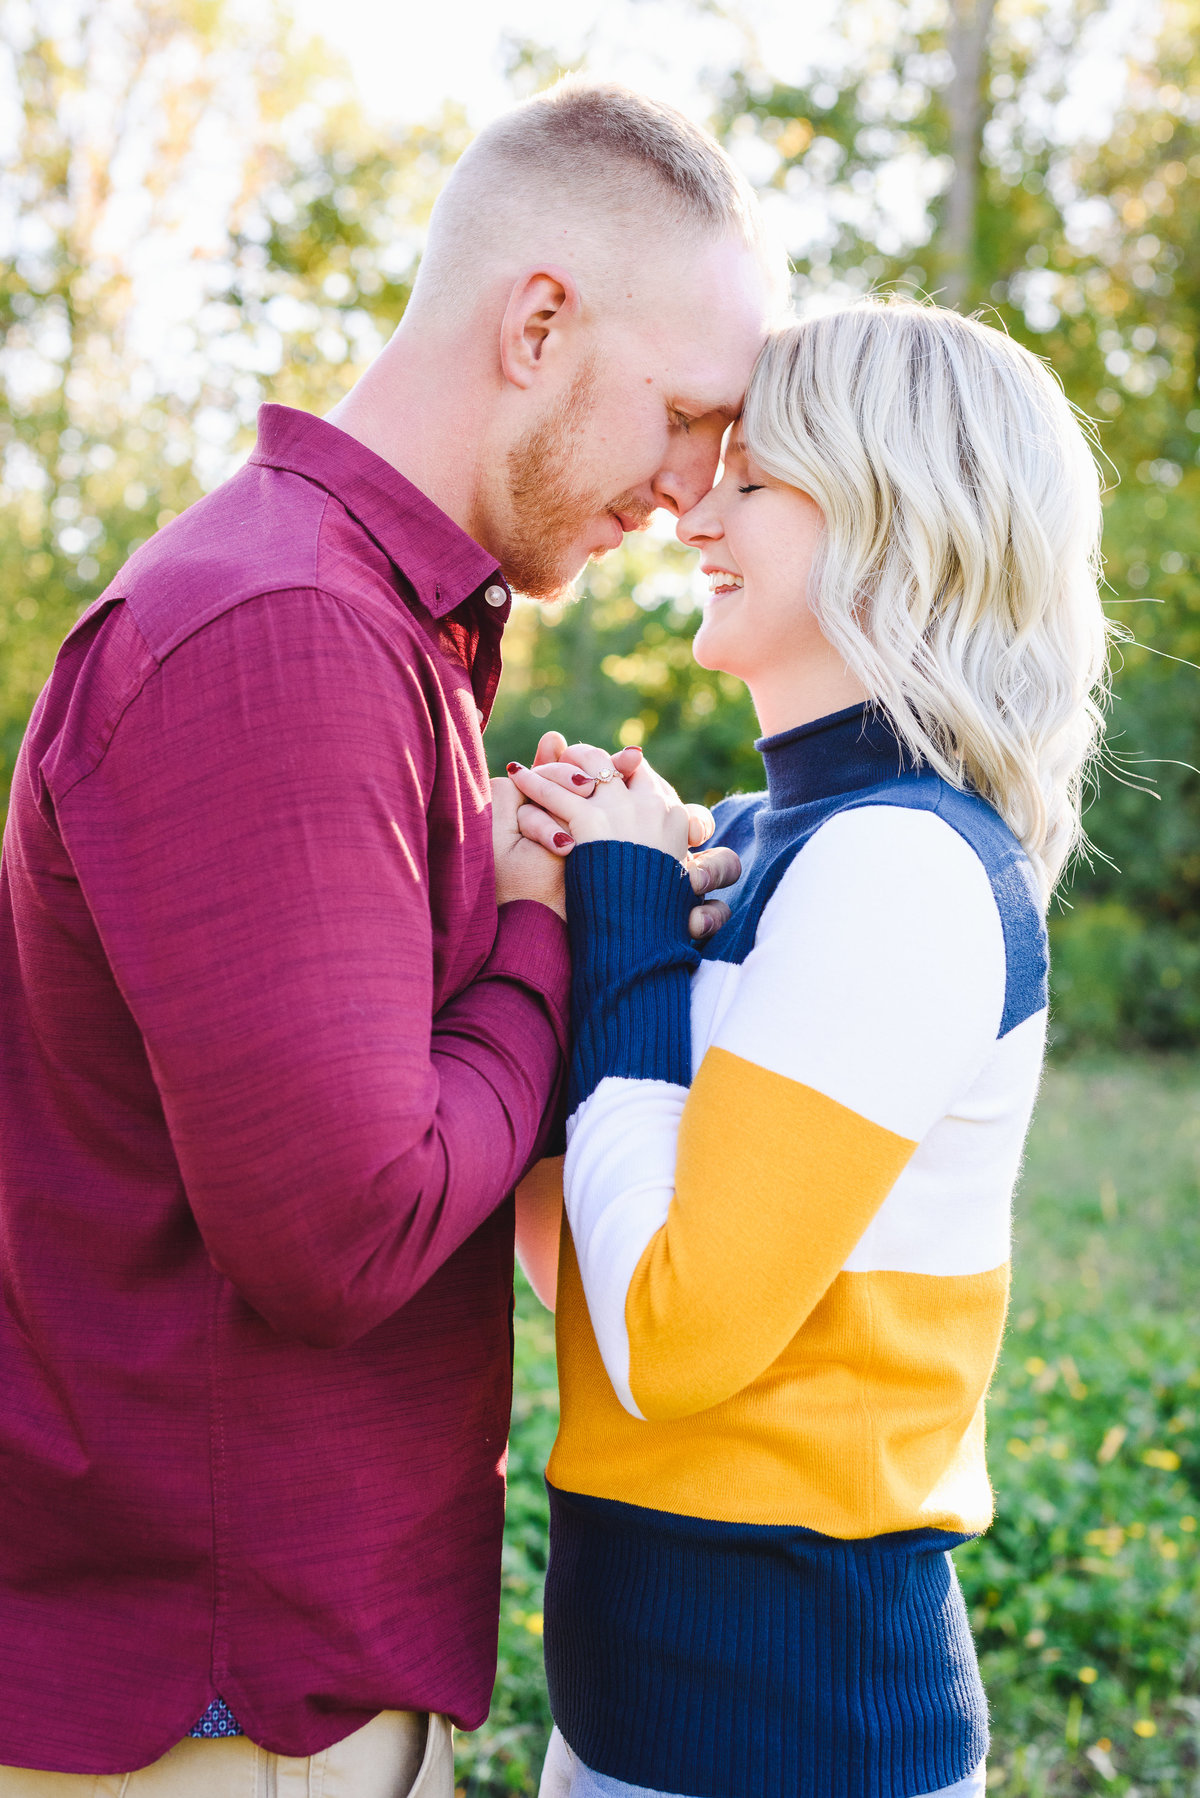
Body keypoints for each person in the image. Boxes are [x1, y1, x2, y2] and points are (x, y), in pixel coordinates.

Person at [0, 82, 779, 1795]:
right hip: (217, 1713)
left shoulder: (368, 628)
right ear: (541, 321)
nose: (690, 486)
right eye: (684, 414)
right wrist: (540, 930)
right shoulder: (286, 631)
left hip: (267, 1683)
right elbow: (342, 1234)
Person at [507, 298, 1110, 1798]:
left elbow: (674, 1340)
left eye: (757, 481)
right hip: (633, 1717)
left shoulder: (899, 866)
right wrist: (566, 929)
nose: (695, 508)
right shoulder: (777, 846)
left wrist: (634, 914)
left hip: (791, 1740)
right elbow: (594, 1263)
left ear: (901, 524)